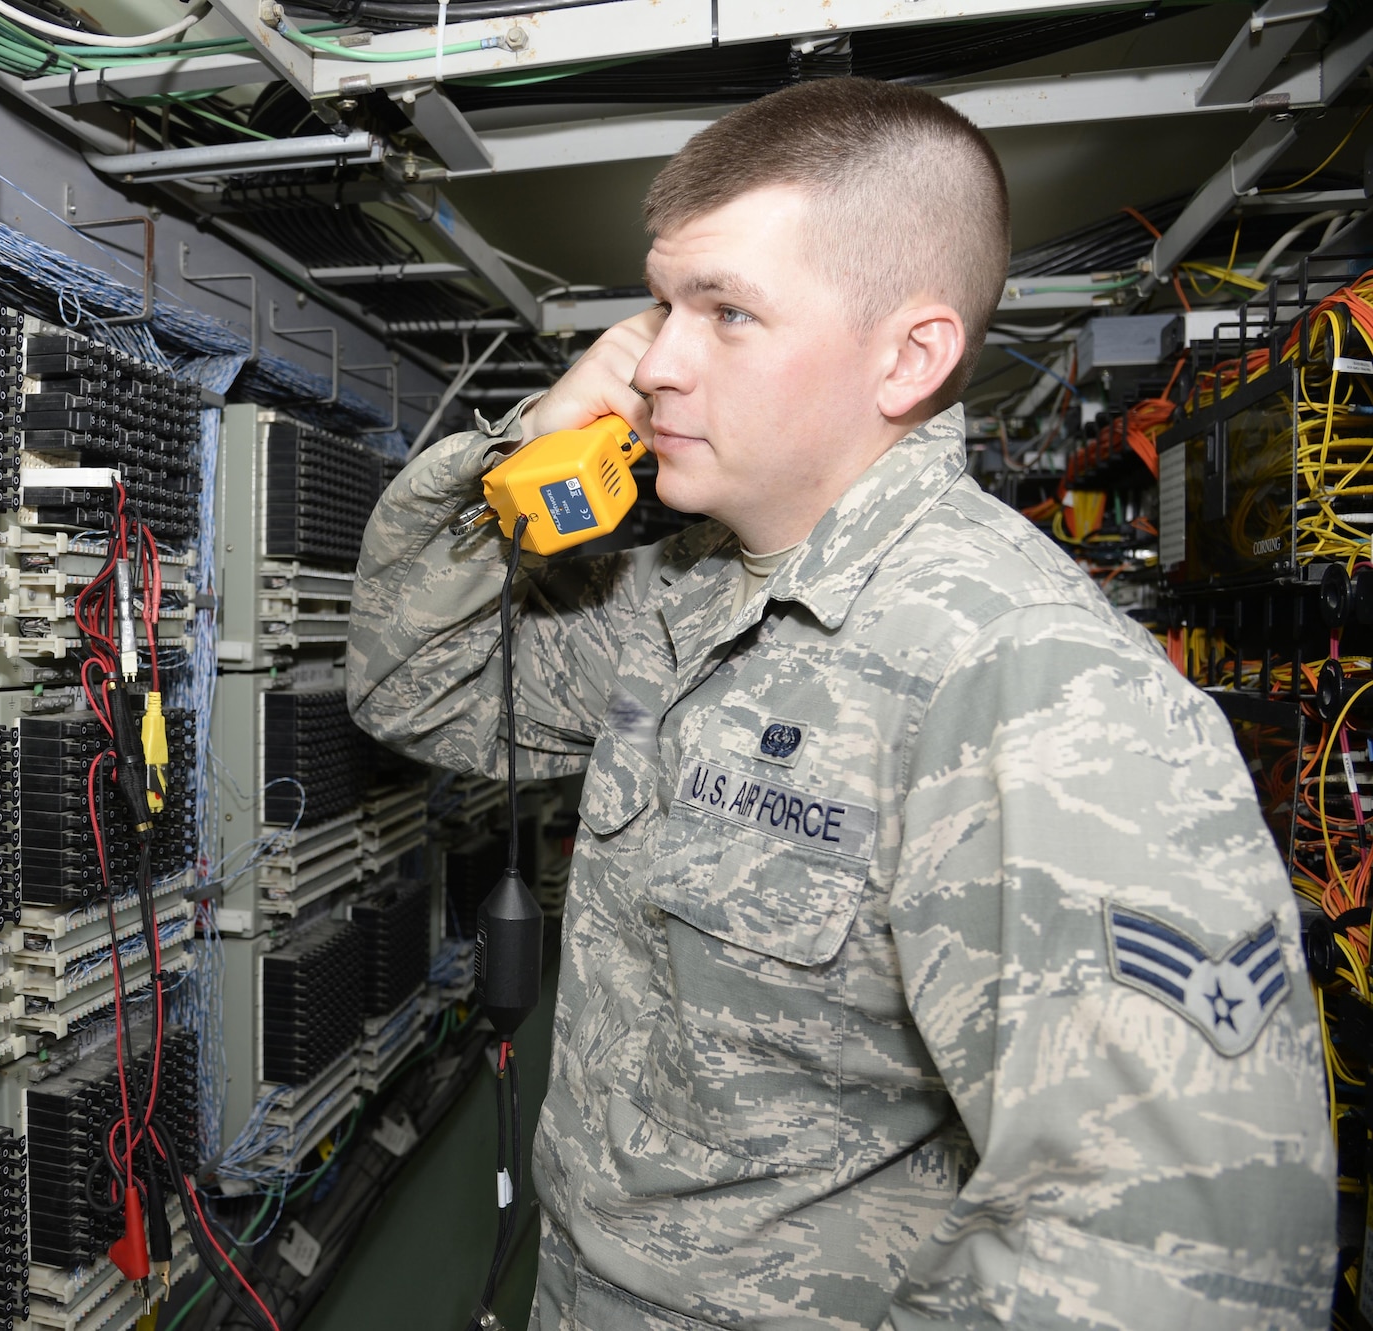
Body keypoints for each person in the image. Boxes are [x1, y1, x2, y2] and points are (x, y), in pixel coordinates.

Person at [346, 77, 1335, 1330]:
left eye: (727, 311)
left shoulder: (1029, 682)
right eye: (660, 303)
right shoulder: (675, 600)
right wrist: (522, 455)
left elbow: (1179, 1260)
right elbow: (410, 682)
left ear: (908, 354)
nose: (653, 362)